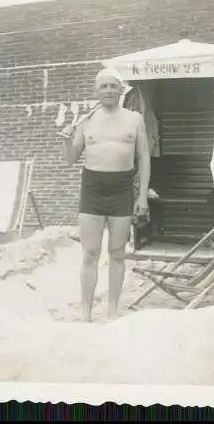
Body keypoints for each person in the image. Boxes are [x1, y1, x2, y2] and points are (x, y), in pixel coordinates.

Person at [61, 68, 151, 322]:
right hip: (92, 188)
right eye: (104, 86)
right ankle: (86, 311)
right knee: (90, 251)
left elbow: (143, 158)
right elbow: (70, 159)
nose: (109, 90)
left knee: (117, 251)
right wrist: (66, 140)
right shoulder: (85, 121)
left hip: (122, 188)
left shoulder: (134, 119)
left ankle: (112, 308)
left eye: (113, 86)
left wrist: (142, 195)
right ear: (96, 90)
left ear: (121, 90)